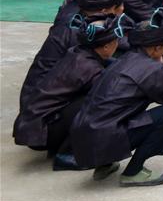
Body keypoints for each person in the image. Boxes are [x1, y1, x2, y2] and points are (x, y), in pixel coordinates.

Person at [71, 8, 163, 187]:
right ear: (157, 48)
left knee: (116, 114)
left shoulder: (125, 59)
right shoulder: (151, 70)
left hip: (82, 142)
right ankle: (133, 172)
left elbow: (149, 82)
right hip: (102, 139)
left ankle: (105, 164)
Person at [14, 14, 127, 171]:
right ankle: (66, 154)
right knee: (101, 102)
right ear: (106, 47)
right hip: (39, 132)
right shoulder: (90, 68)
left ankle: (61, 145)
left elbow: (113, 64)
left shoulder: (79, 52)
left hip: (36, 125)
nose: (117, 44)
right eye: (115, 41)